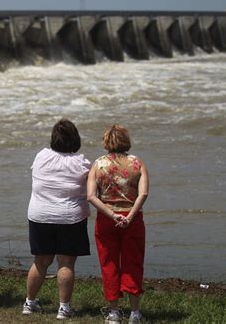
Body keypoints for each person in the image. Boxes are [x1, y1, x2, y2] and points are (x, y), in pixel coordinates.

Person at [22, 119, 91, 320]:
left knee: (41, 261)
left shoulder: (41, 156)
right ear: (75, 139)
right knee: (66, 262)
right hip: (70, 217)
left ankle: (29, 303)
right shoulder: (82, 162)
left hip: (40, 215)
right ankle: (64, 308)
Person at [87, 125, 149, 324]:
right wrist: (129, 215)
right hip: (132, 219)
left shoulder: (98, 164)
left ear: (106, 142)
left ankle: (114, 312)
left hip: (107, 219)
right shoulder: (137, 163)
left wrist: (112, 215)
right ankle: (135, 312)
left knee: (109, 262)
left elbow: (90, 196)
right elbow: (143, 193)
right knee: (133, 262)